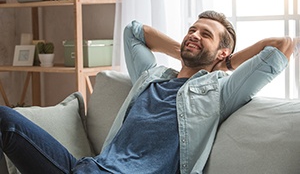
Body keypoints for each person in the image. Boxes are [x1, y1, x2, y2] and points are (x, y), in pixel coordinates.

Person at [0, 10, 294, 174]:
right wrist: (184, 50)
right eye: (192, 29)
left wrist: (226, 63)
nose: (194, 34)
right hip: (86, 169)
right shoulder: (151, 77)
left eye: (206, 34)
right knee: (6, 120)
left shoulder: (219, 92)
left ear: (223, 51)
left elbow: (282, 45)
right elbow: (134, 31)